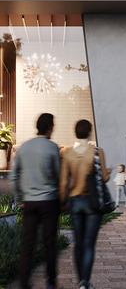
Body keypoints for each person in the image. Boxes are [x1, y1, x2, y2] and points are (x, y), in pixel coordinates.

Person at [11, 113, 60, 289]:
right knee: (50, 244)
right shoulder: (52, 148)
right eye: (53, 125)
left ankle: (24, 283)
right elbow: (58, 175)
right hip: (48, 201)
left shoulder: (24, 147)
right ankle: (51, 283)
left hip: (29, 203)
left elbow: (13, 175)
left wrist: (19, 198)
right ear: (49, 127)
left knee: (28, 244)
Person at [60, 120, 111, 289]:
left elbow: (63, 183)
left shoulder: (66, 153)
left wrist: (62, 202)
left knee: (78, 243)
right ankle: (84, 283)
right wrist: (108, 171)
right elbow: (104, 178)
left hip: (75, 202)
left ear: (75, 132)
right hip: (92, 203)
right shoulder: (97, 152)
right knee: (89, 244)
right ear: (90, 132)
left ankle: (80, 279)